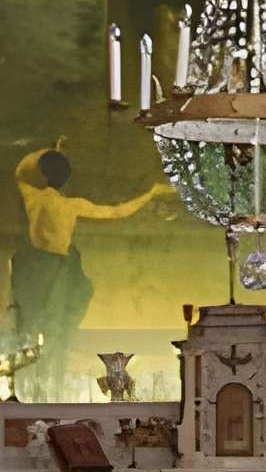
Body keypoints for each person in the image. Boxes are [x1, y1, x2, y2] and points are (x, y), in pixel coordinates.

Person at [9, 145, 168, 371]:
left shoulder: (33, 196)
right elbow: (117, 212)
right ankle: (45, 365)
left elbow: (20, 172)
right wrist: (150, 193)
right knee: (53, 322)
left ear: (44, 174)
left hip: (40, 265)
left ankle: (40, 364)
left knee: (39, 324)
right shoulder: (69, 205)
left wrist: (44, 153)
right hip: (52, 268)